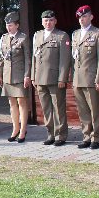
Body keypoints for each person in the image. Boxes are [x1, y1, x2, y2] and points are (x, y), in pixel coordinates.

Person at [32, 9, 72, 146]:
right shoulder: (37, 35)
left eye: (50, 20)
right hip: (40, 78)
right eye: (45, 20)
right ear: (42, 22)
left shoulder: (61, 36)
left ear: (55, 21)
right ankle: (51, 134)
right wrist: (33, 76)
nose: (48, 23)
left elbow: (65, 60)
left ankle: (61, 135)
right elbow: (34, 57)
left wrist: (62, 78)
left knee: (58, 108)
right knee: (46, 109)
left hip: (55, 78)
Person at [71, 5, 99, 149]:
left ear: (91, 17)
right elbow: (73, 58)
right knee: (83, 110)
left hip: (91, 78)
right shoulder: (75, 34)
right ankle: (86, 136)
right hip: (78, 78)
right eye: (80, 17)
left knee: (94, 110)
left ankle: (96, 138)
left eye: (85, 16)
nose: (82, 19)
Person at [0, 11, 31, 142]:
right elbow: (1, 58)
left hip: (19, 75)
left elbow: (28, 58)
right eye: (7, 25)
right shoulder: (4, 38)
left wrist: (27, 75)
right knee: (12, 103)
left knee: (21, 102)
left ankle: (23, 130)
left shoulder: (23, 38)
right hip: (7, 75)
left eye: (11, 25)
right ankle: (15, 128)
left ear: (17, 25)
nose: (8, 27)